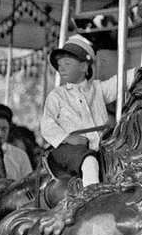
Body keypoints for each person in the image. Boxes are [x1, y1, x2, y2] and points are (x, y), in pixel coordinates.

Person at [39, 34, 119, 186]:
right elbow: (47, 124)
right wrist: (67, 138)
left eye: (67, 64)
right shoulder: (58, 95)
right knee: (89, 162)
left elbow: (120, 82)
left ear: (84, 66)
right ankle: (92, 200)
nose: (61, 68)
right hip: (68, 149)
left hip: (100, 147)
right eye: (59, 65)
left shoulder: (98, 89)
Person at [0, 104, 34, 180]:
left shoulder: (20, 156)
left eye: (4, 129)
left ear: (9, 129)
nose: (0, 134)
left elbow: (29, 185)